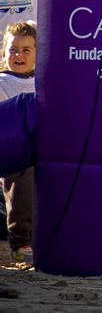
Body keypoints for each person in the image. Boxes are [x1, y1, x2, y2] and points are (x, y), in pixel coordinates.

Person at [0, 21, 34, 263]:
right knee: (20, 177)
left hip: (40, 148)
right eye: (13, 49)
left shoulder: (45, 81)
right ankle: (20, 240)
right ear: (4, 52)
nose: (19, 55)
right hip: (14, 152)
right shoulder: (3, 83)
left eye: (26, 50)